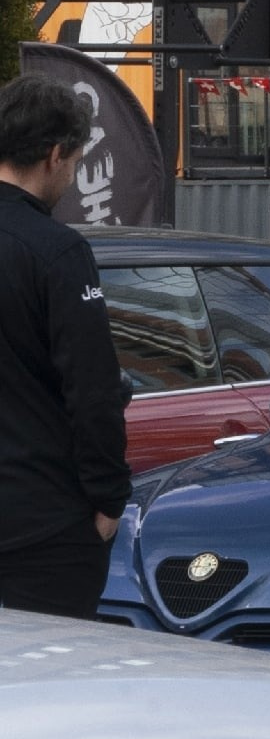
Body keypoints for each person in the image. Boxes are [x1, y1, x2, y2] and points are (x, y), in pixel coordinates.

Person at [0, 74, 131, 621]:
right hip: (42, 523)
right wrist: (108, 497)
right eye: (76, 164)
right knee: (49, 684)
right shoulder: (57, 252)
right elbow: (93, 387)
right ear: (55, 155)